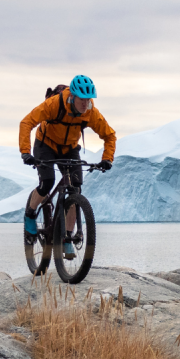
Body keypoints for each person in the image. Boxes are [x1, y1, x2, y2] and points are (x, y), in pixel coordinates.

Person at [19, 75, 117, 258]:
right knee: (47, 182)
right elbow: (27, 122)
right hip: (45, 144)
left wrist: (107, 158)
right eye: (82, 99)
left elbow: (109, 135)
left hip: (69, 148)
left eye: (88, 99)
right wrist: (25, 152)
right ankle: (30, 214)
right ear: (72, 96)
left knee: (75, 189)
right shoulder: (54, 105)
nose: (85, 104)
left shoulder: (90, 112)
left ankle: (67, 238)